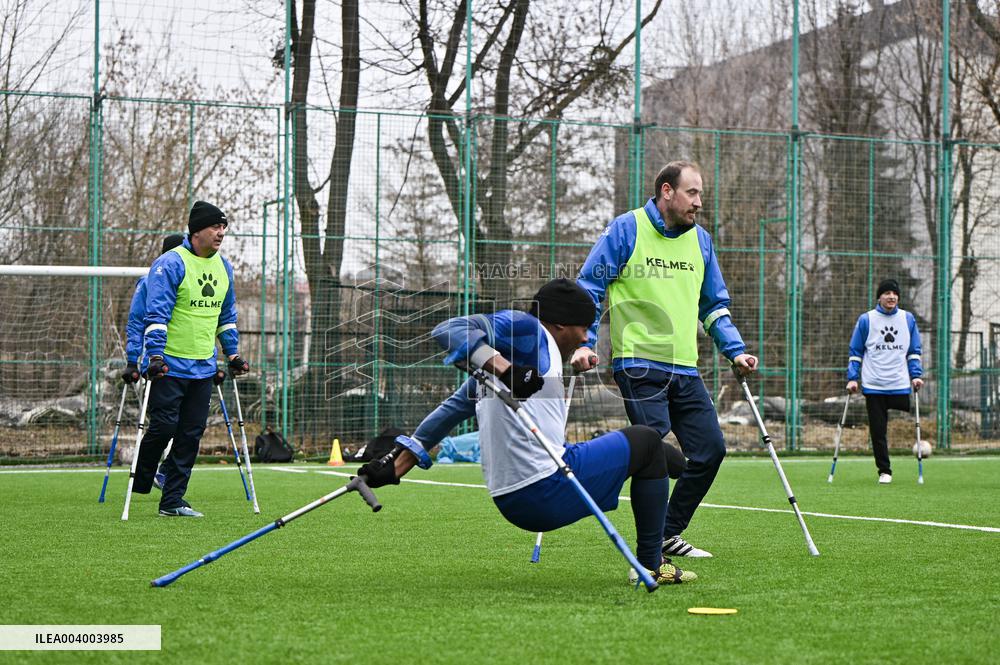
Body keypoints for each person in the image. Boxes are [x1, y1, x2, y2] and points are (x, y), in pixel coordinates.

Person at [358, 278, 696, 585]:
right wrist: (506, 370)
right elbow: (449, 328)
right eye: (584, 327)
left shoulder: (501, 366)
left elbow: (450, 411)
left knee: (661, 457)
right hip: (544, 490)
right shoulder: (530, 330)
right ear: (562, 322)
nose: (586, 337)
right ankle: (652, 565)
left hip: (512, 499)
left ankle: (681, 467)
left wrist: (398, 466)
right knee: (647, 440)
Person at [573, 160, 757, 559]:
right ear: (667, 191)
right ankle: (648, 553)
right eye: (692, 193)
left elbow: (714, 306)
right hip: (638, 364)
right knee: (653, 451)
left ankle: (668, 532)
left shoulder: (701, 241)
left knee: (710, 450)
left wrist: (735, 350)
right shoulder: (626, 229)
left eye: (701, 195)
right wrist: (584, 342)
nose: (699, 203)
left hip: (685, 369)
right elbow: (589, 286)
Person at [132, 201, 249, 517]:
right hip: (169, 363)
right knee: (165, 426)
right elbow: (156, 314)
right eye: (215, 226)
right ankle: (142, 477)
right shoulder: (170, 263)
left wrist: (232, 353)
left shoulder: (224, 268)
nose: (221, 232)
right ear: (197, 231)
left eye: (224, 227)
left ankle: (172, 500)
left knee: (190, 434)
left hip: (203, 367)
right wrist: (154, 354)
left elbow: (226, 316)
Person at [121, 233, 188, 490]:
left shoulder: (193, 277)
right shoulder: (149, 281)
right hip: (158, 363)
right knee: (164, 424)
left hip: (190, 362)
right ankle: (143, 474)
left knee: (190, 426)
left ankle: (166, 472)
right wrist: (132, 360)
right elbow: (137, 322)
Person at [846, 278, 923, 484]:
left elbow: (913, 351)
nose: (891, 297)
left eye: (894, 293)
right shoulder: (866, 320)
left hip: (899, 384)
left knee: (909, 422)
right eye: (887, 293)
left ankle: (916, 451)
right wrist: (853, 378)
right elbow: (856, 352)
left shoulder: (908, 319)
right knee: (878, 431)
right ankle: (884, 470)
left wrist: (916, 375)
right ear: (879, 297)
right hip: (874, 385)